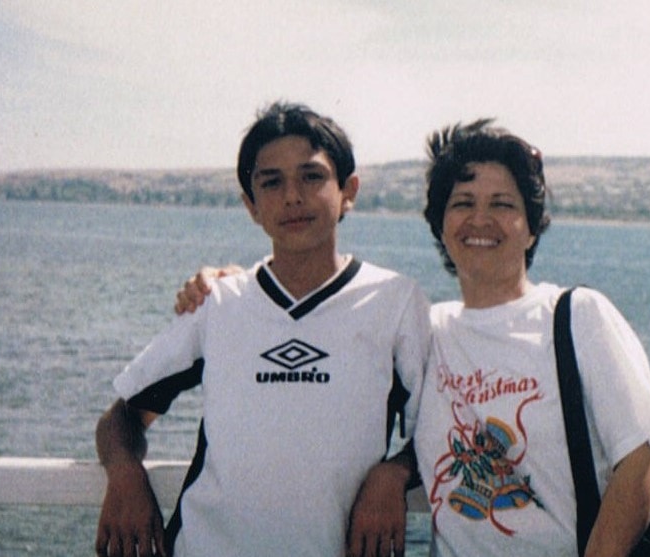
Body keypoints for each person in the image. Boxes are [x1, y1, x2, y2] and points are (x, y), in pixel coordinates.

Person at [179, 119, 650, 557]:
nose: (480, 219)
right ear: (441, 225)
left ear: (531, 228)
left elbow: (640, 461)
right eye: (463, 203)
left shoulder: (576, 316)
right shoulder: (427, 327)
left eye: (502, 204)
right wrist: (392, 473)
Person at [94, 101, 430, 557]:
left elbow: (437, 431)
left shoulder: (394, 301)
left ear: (348, 190)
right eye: (271, 182)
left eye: (312, 177)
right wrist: (125, 473)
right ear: (250, 205)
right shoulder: (220, 302)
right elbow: (121, 418)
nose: (292, 196)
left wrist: (394, 473)